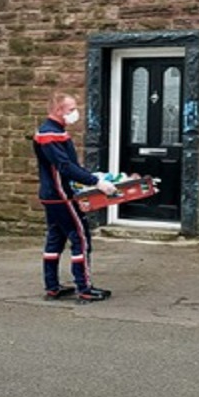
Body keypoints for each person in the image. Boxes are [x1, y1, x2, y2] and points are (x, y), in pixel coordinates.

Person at [33, 91, 118, 302]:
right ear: (58, 110)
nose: (75, 113)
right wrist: (96, 182)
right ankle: (84, 288)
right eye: (71, 109)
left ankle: (52, 287)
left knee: (55, 239)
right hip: (61, 195)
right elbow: (65, 166)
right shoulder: (50, 135)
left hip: (52, 193)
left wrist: (88, 177)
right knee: (80, 239)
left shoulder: (52, 131)